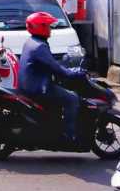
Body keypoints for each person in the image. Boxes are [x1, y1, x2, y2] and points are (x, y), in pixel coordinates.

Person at [18, 11, 83, 142]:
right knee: (72, 99)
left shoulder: (32, 42)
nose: (50, 29)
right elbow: (55, 67)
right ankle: (68, 135)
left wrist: (64, 66)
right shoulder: (39, 46)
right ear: (40, 27)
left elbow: (50, 63)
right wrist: (73, 73)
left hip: (31, 83)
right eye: (47, 26)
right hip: (38, 87)